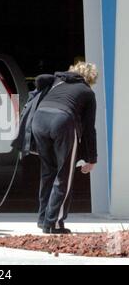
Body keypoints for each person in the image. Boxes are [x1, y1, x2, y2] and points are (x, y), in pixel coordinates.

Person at [31, 62, 98, 234]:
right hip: (62, 121)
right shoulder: (87, 92)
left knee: (47, 172)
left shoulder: (57, 82)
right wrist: (92, 159)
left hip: (39, 121)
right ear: (90, 78)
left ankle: (43, 218)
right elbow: (89, 129)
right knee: (64, 175)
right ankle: (54, 223)